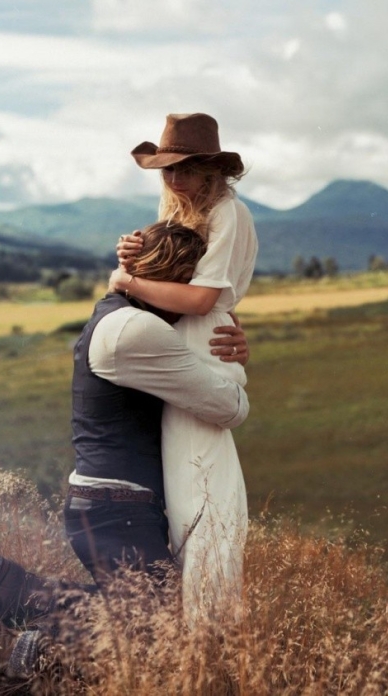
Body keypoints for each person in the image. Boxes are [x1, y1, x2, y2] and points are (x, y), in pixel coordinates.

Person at [0, 220, 250, 696]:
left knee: (139, 623)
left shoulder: (116, 314)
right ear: (171, 281)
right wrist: (234, 368)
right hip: (116, 510)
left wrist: (222, 341)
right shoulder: (134, 330)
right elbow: (228, 407)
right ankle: (8, 620)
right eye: (189, 286)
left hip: (107, 507)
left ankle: (17, 619)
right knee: (160, 635)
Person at [112, 111, 257, 625]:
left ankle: (212, 629)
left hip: (196, 341)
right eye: (166, 169)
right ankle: (193, 627)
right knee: (182, 491)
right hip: (180, 338)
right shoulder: (177, 205)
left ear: (211, 170)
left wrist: (126, 283)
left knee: (205, 489)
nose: (173, 179)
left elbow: (201, 300)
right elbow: (176, 277)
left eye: (184, 169)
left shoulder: (228, 212)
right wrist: (134, 255)